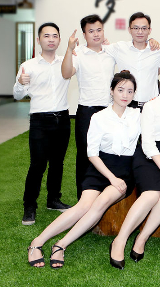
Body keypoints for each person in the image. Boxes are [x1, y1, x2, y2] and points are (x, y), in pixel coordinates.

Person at [26, 71, 140, 268]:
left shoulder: (138, 116)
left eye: (130, 91)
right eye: (120, 90)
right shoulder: (99, 117)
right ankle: (37, 242)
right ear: (111, 91)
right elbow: (92, 154)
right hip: (100, 167)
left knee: (101, 202)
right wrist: (111, 177)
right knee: (83, 205)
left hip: (124, 171)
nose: (125, 95)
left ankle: (61, 245)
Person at [108, 62, 160, 269]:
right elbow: (147, 143)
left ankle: (142, 238)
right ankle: (120, 240)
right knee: (151, 195)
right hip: (148, 156)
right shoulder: (151, 105)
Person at [14, 22, 72, 226]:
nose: (51, 39)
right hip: (40, 120)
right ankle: (29, 206)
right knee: (38, 164)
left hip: (63, 118)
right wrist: (20, 83)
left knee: (58, 163)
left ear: (59, 40)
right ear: (38, 40)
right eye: (46, 36)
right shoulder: (28, 65)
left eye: (54, 36)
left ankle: (53, 200)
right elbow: (17, 95)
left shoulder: (65, 62)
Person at [61, 14, 116, 199]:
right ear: (84, 34)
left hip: (109, 111)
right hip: (87, 112)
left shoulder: (110, 51)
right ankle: (83, 199)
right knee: (85, 156)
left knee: (107, 154)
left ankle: (105, 198)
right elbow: (66, 73)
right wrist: (69, 49)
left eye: (99, 30)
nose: (96, 34)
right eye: (91, 31)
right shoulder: (78, 53)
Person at [103, 12, 160, 111]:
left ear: (149, 30)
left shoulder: (158, 51)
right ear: (129, 30)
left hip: (151, 106)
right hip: (127, 106)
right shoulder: (120, 48)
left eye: (144, 28)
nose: (140, 32)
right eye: (136, 28)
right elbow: (97, 47)